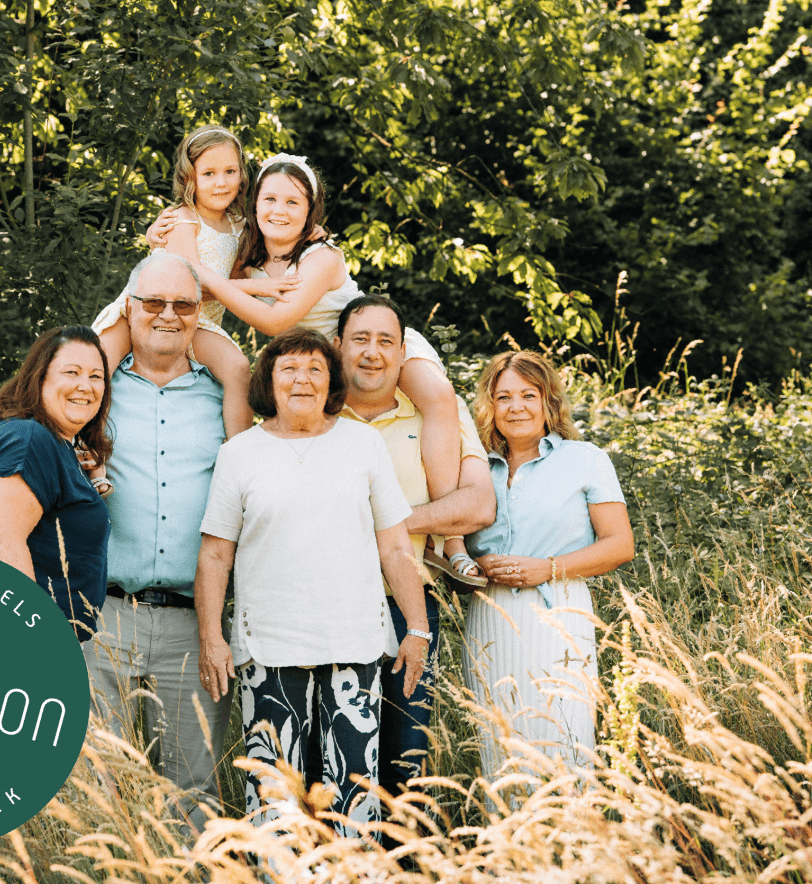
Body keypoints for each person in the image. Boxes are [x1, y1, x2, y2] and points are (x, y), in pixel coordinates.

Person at [153, 152, 480, 581]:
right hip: (323, 365)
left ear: (310, 213)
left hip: (368, 344)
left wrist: (208, 279)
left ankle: (448, 543)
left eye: (293, 202)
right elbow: (206, 285)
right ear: (254, 204)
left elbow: (273, 319)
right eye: (270, 199)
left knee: (437, 395)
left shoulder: (321, 256)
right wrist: (163, 239)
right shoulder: (248, 259)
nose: (279, 211)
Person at [194, 327, 431, 836]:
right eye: (289, 368)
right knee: (276, 800)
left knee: (354, 798)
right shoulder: (240, 453)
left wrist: (417, 626)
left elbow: (394, 546)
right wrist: (211, 638)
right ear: (269, 381)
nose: (302, 379)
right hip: (268, 651)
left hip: (355, 646)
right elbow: (215, 555)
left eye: (315, 369)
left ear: (332, 381)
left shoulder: (363, 444)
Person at [82, 252, 232, 837]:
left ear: (200, 315)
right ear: (129, 307)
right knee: (99, 781)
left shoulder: (225, 394)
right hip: (103, 615)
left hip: (194, 623)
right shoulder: (93, 388)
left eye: (183, 304)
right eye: (152, 302)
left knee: (193, 790)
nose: (167, 315)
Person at [333, 295, 497, 798]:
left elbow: (477, 506)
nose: (372, 352)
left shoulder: (433, 421)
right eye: (360, 339)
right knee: (339, 767)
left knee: (406, 767)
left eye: (385, 341)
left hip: (411, 611)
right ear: (337, 346)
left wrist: (389, 526)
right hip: (331, 604)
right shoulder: (315, 417)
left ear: (404, 354)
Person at [462, 350, 635, 792]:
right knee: (498, 745)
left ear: (548, 401)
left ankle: (574, 849)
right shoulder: (474, 466)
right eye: (503, 397)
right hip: (489, 617)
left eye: (527, 395)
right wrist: (472, 565)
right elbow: (450, 547)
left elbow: (619, 544)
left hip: (559, 609)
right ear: (490, 407)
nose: (516, 407)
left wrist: (549, 568)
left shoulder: (584, 458)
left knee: (565, 736)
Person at [92, 124, 299, 440]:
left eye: (230, 171)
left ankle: (238, 453)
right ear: (190, 178)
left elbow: (221, 291)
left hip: (198, 321)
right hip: (143, 311)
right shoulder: (183, 218)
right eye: (209, 174)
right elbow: (192, 278)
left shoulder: (240, 226)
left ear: (242, 174)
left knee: (238, 368)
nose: (221, 183)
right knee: (98, 362)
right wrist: (257, 288)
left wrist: (308, 234)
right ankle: (88, 446)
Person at [0, 325, 113, 641]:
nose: (85, 385)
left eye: (96, 376)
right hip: (11, 644)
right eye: (72, 372)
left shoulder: (55, 445)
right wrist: (34, 643)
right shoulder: (27, 439)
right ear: (40, 378)